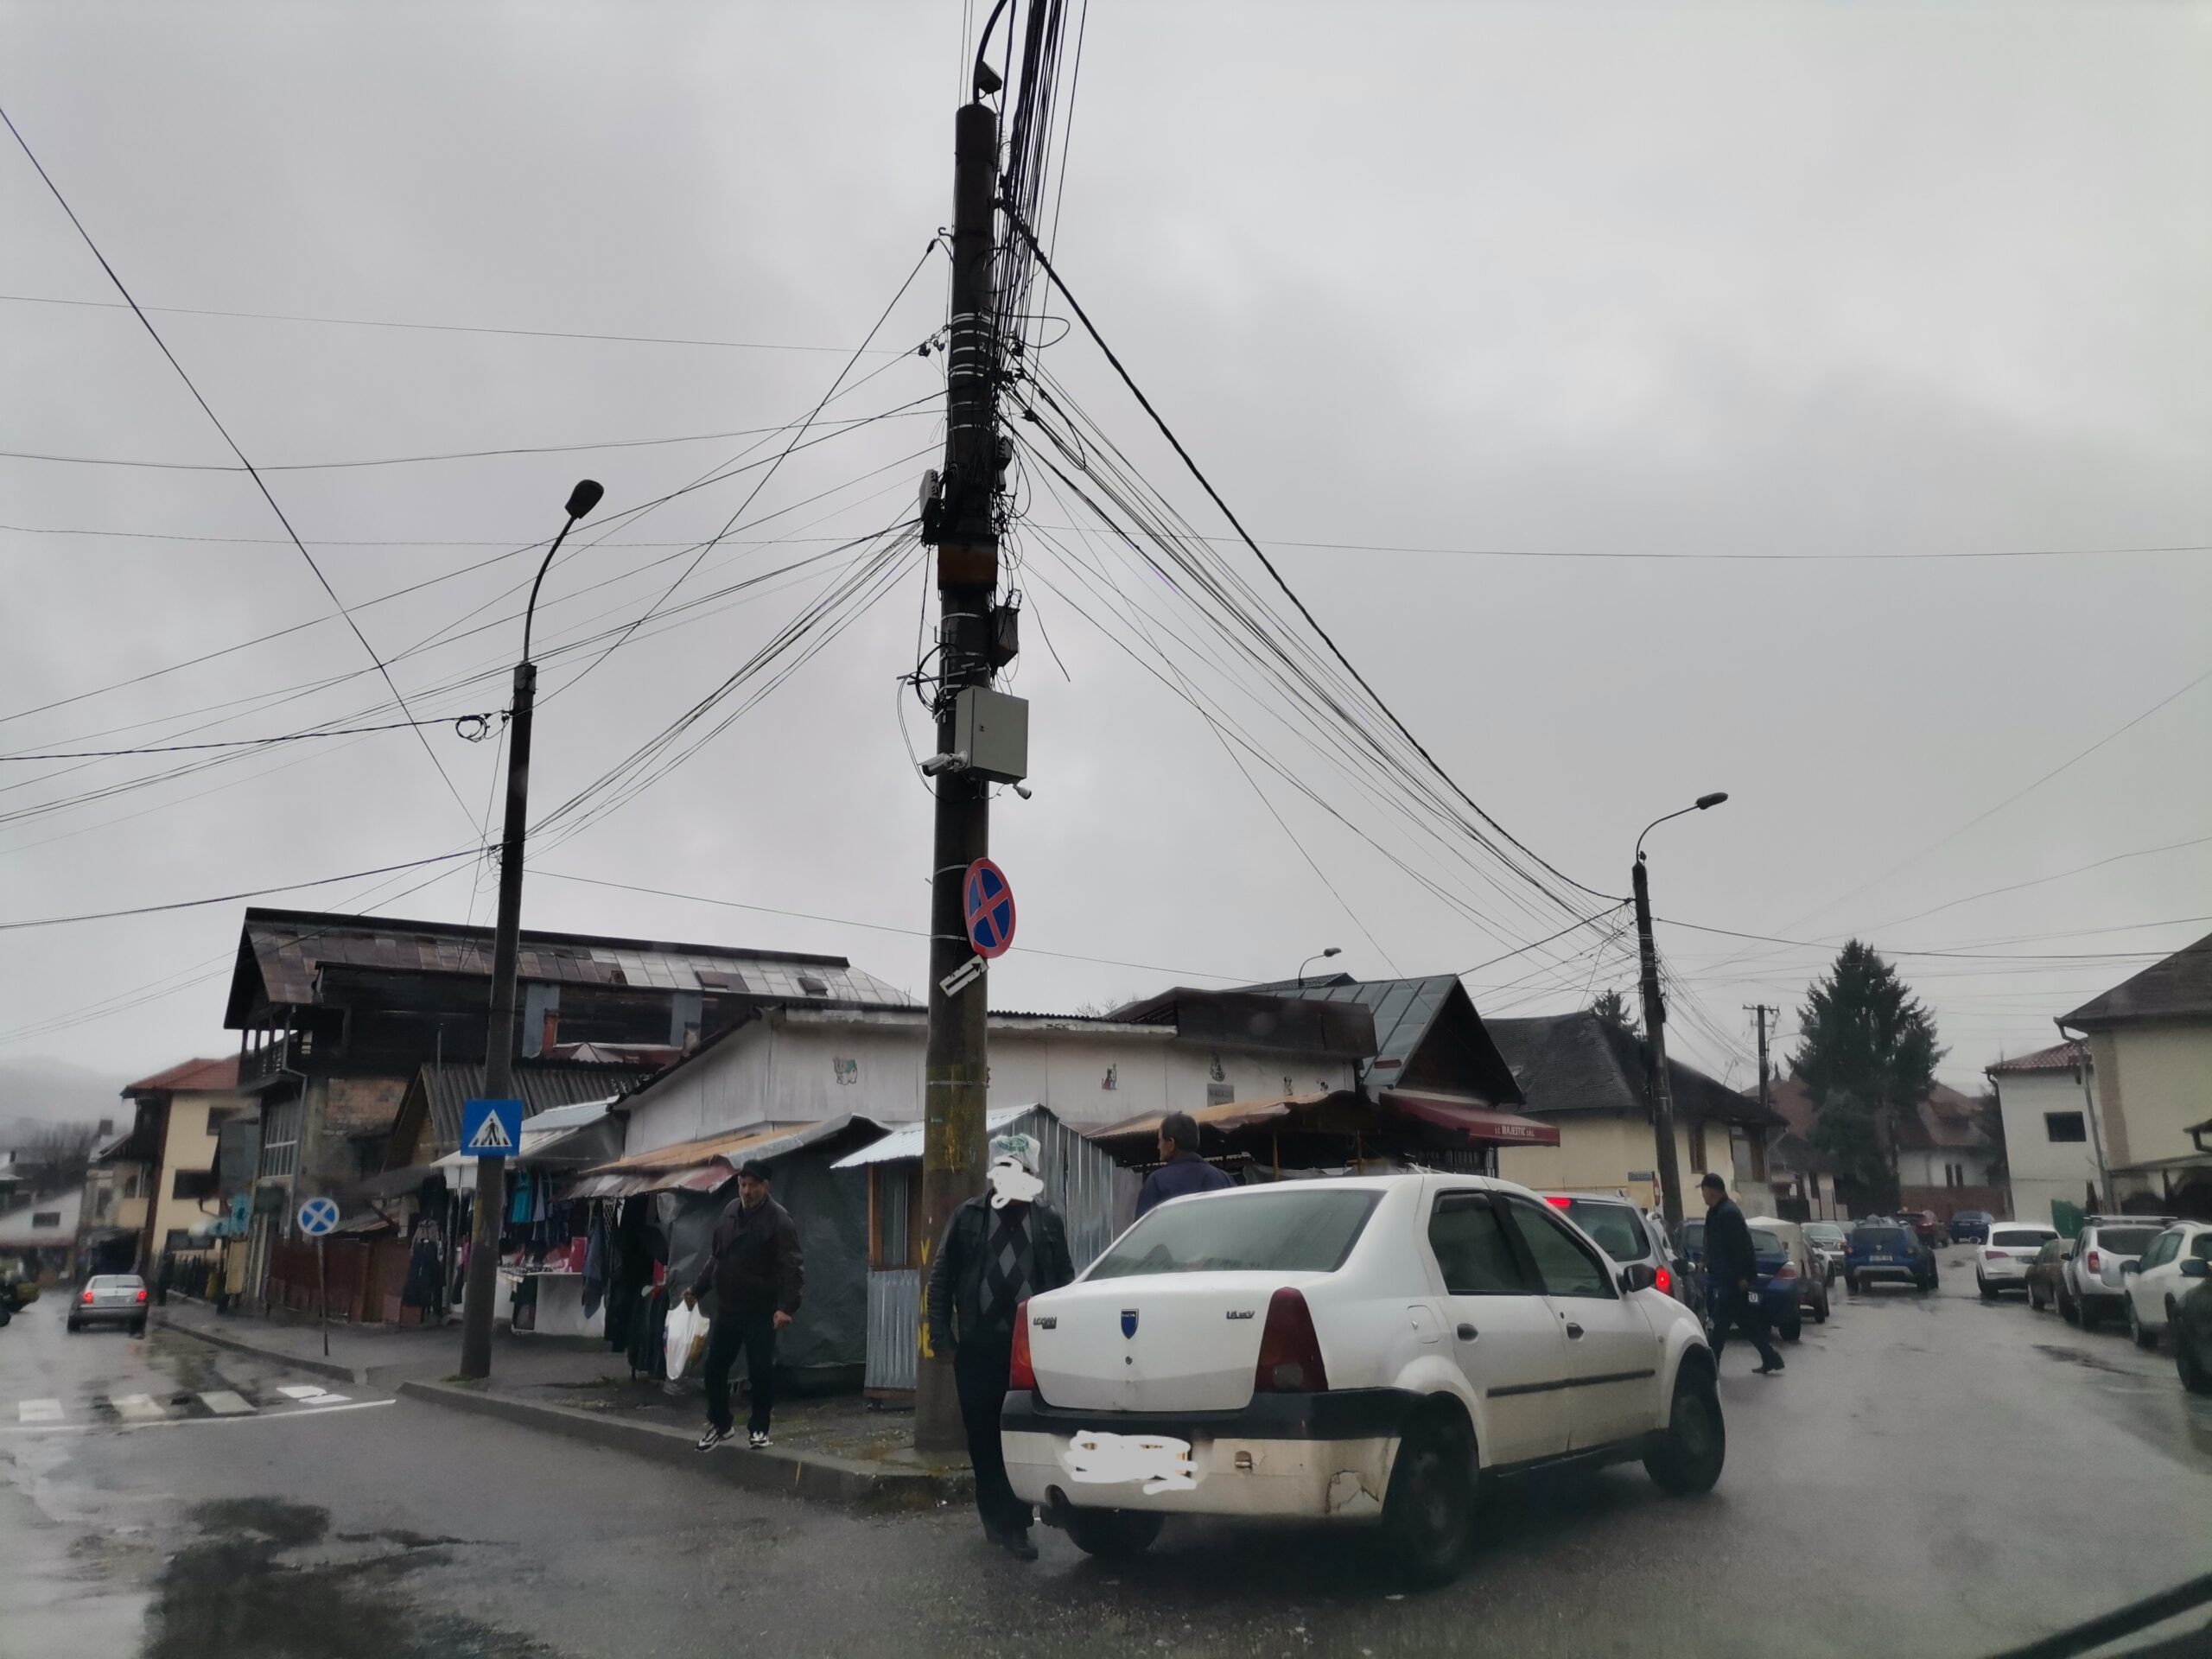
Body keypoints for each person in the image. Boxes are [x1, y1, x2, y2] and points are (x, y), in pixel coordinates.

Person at [926, 1148, 1075, 1561]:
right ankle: (994, 1517)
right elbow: (941, 1279)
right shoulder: (969, 1217)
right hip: (979, 1347)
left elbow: (1065, 1280)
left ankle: (1017, 1526)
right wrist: (942, 1338)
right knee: (983, 1438)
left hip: (1029, 1351)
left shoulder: (1047, 1221)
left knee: (1022, 1436)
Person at [693, 1160, 804, 1450]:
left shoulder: (779, 1221)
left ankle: (759, 1429)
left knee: (760, 1371)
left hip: (760, 1308)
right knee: (714, 1368)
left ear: (766, 1187)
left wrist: (787, 1308)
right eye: (742, 1184)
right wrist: (697, 1290)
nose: (746, 1191)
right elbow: (717, 1257)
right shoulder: (730, 1212)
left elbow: (792, 1268)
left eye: (753, 1185)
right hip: (729, 1306)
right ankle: (720, 1423)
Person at [1700, 1173, 1782, 1376]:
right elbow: (1714, 1243)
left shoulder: (1729, 1213)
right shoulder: (1715, 1213)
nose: (1703, 1195)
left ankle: (1711, 1367)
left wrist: (1743, 1275)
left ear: (1711, 1190)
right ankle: (1770, 1357)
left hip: (1733, 1278)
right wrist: (1705, 1260)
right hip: (1725, 1276)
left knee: (1720, 1325)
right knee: (1746, 1323)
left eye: (1703, 1191)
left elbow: (1741, 1246)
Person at [1134, 1111, 1234, 1218]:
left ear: (1171, 1144)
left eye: (1160, 1140)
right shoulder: (1223, 1178)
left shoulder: (1156, 1182)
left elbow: (1144, 1224)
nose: (1158, 1146)